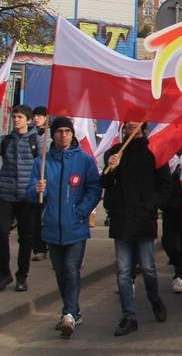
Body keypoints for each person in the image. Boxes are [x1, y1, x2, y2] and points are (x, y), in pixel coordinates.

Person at [26, 117, 101, 337]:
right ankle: (74, 311)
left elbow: (94, 190)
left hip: (75, 227)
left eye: (67, 131)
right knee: (60, 273)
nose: (63, 135)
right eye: (59, 131)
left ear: (72, 134)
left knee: (71, 269)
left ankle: (67, 313)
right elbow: (30, 194)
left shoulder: (84, 160)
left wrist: (80, 212)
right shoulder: (42, 162)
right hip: (51, 227)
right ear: (53, 134)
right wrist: (37, 190)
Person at [101, 121, 172, 337]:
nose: (132, 123)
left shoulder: (153, 150)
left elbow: (165, 186)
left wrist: (150, 206)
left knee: (148, 268)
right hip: (121, 219)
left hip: (143, 219)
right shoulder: (115, 151)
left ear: (143, 124)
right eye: (128, 120)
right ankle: (129, 317)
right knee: (124, 272)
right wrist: (111, 169)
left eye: (136, 120)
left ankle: (155, 299)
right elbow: (104, 183)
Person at [0, 104, 44, 292]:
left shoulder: (37, 141)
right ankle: (4, 274)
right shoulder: (5, 140)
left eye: (20, 117)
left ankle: (21, 276)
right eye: (14, 117)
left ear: (28, 120)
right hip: (6, 194)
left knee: (25, 237)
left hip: (27, 195)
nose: (16, 120)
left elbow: (44, 165)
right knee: (2, 233)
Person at [162, 135, 182, 295]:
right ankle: (179, 264)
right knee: (168, 242)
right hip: (169, 206)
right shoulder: (166, 156)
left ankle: (179, 276)